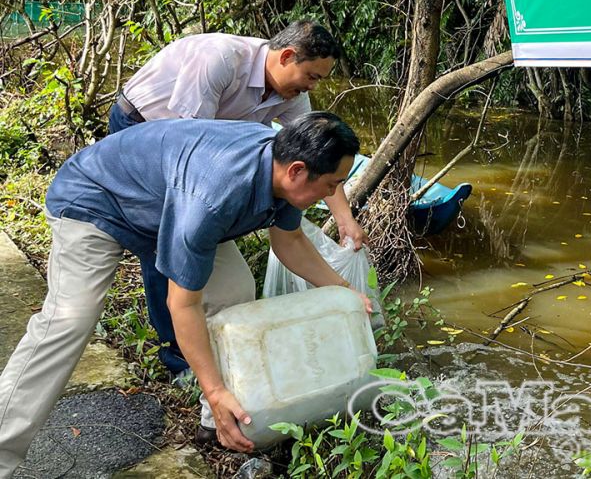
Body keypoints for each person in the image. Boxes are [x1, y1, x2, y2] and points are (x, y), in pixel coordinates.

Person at [0, 112, 371, 474]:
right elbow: (183, 304)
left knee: (235, 289)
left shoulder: (280, 175)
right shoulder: (214, 197)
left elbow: (289, 241)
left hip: (166, 207)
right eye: (332, 184)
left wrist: (344, 291)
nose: (333, 194)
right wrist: (212, 388)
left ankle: (223, 421)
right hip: (96, 203)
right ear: (297, 171)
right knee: (68, 323)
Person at [109, 20, 368, 373]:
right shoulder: (219, 61)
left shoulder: (293, 94)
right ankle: (179, 357)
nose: (312, 86)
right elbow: (191, 147)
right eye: (312, 76)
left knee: (205, 248)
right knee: (164, 243)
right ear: (287, 56)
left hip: (208, 148)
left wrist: (343, 218)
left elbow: (320, 158)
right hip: (146, 128)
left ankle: (209, 342)